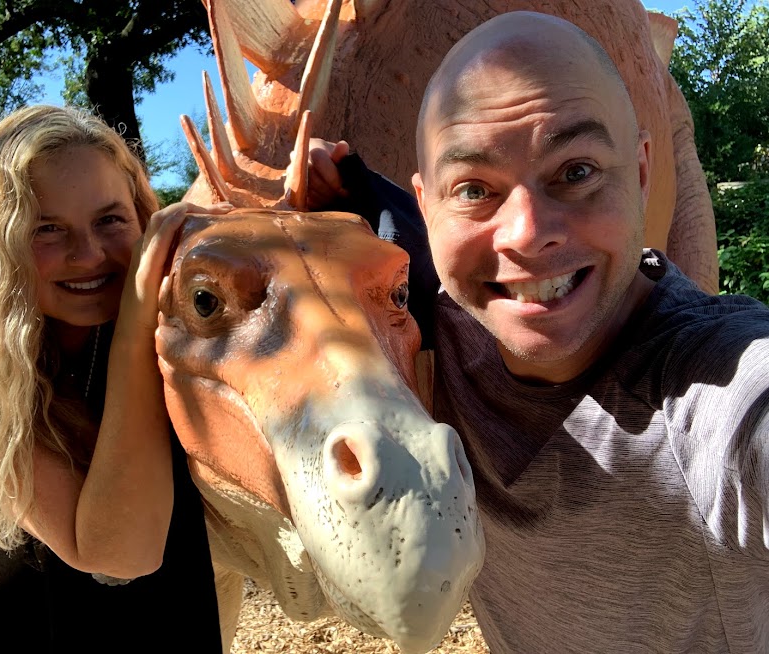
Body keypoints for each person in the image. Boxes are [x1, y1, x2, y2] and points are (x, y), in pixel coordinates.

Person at [306, 11, 769, 653]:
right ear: (429, 204)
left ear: (640, 173)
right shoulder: (443, 326)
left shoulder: (722, 393)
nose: (526, 233)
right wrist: (346, 179)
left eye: (576, 172)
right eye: (474, 188)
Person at [0, 104, 228, 649]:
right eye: (46, 229)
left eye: (109, 220)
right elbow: (117, 552)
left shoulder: (142, 305)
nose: (89, 254)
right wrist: (134, 335)